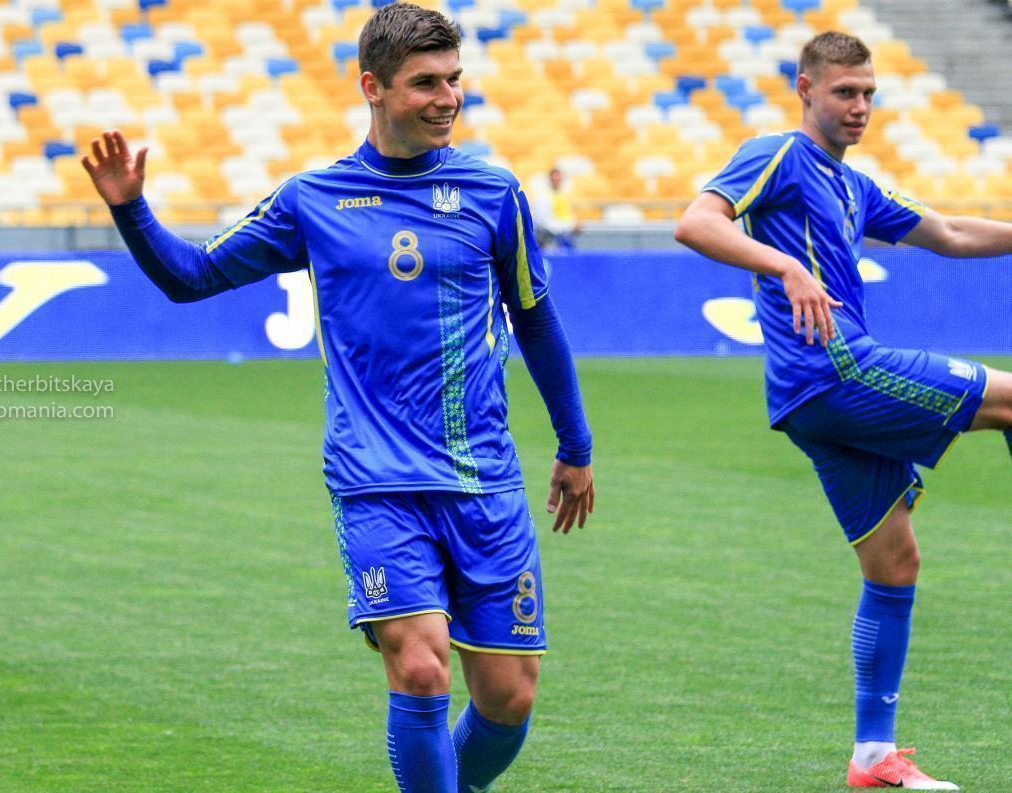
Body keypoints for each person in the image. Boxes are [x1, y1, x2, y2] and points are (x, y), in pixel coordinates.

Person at [81, 5, 596, 792]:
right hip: (376, 480)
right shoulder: (313, 199)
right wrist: (130, 207)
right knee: (420, 667)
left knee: (508, 698)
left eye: (454, 80)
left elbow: (536, 319)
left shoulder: (494, 193)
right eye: (425, 83)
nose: (448, 98)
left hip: (483, 479)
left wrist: (575, 444)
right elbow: (193, 275)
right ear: (372, 87)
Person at [675, 31, 1012, 791]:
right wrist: (786, 265)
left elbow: (951, 232)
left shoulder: (854, 186)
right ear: (805, 89)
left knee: (894, 562)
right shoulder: (777, 155)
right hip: (836, 369)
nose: (860, 106)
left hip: (813, 400)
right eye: (844, 93)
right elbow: (696, 221)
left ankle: (871, 756)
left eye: (868, 94)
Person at [533, 167, 581, 251]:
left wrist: (573, 224)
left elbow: (568, 213)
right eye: (554, 179)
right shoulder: (543, 196)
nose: (557, 182)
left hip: (564, 238)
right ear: (550, 180)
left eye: (559, 179)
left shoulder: (564, 195)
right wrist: (568, 227)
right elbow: (543, 221)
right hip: (549, 239)